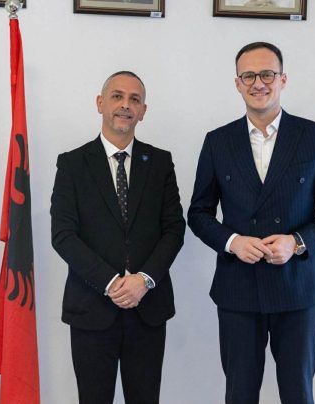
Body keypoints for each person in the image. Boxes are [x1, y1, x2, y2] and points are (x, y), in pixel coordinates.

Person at [188, 42, 315, 403]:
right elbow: (198, 213)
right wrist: (233, 241)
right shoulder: (217, 142)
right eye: (248, 76)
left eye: (267, 74)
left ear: (282, 79)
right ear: (237, 83)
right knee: (240, 394)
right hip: (238, 288)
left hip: (299, 288)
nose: (258, 83)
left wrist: (297, 242)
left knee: (298, 394)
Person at [51, 71, 185, 404]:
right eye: (117, 96)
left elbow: (174, 229)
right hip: (92, 309)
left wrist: (145, 280)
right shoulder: (72, 164)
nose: (126, 105)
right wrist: (111, 283)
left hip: (147, 307)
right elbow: (63, 235)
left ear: (143, 111)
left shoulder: (160, 162)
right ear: (100, 103)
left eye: (134, 99)